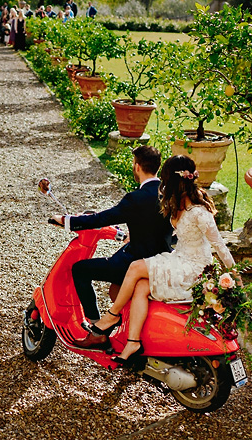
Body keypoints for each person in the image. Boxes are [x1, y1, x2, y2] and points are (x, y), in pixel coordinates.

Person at [83, 154, 239, 361]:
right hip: (179, 258)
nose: (162, 186)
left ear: (172, 181)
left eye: (164, 180)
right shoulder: (178, 203)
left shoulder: (200, 212)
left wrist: (235, 276)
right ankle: (133, 343)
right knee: (140, 287)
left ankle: (110, 317)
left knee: (136, 267)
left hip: (194, 267)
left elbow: (219, 245)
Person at [51, 145, 172, 348]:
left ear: (137, 167)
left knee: (80, 269)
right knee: (114, 287)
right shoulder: (168, 195)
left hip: (136, 261)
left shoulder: (136, 199)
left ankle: (97, 327)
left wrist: (67, 220)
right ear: (157, 168)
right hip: (161, 259)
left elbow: (103, 218)